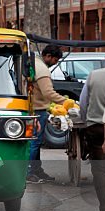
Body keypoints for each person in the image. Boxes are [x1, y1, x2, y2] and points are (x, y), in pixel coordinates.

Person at [77, 46, 105, 211]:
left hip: (97, 128)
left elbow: (83, 102)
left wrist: (88, 120)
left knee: (101, 170)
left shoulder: (94, 75)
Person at [28, 45, 69, 184]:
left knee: (36, 142)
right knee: (34, 142)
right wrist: (67, 102)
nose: (55, 63)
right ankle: (29, 172)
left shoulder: (34, 63)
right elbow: (48, 93)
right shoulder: (42, 69)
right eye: (55, 60)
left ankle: (36, 170)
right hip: (37, 109)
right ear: (48, 56)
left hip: (32, 107)